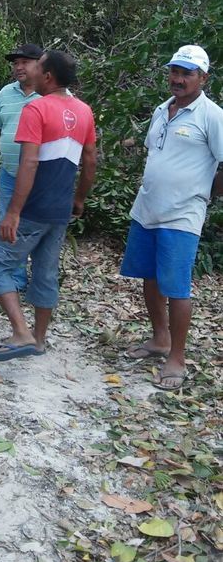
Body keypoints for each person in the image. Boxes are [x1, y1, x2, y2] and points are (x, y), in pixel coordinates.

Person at [0, 51, 97, 361]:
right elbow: (89, 160)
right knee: (45, 273)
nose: (30, 69)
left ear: (47, 77)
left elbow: (29, 161)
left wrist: (14, 212)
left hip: (33, 207)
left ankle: (21, 333)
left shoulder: (37, 108)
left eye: (38, 65)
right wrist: (79, 199)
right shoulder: (84, 111)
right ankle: (40, 339)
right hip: (60, 209)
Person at [120, 45, 223, 389]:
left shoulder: (212, 116)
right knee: (150, 278)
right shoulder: (162, 110)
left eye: (187, 73)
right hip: (148, 208)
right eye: (174, 72)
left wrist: (204, 191)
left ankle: (176, 357)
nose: (178, 79)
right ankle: (159, 339)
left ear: (203, 78)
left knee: (177, 288)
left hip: (182, 215)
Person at [0, 43, 43, 290]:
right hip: (9, 174)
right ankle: (15, 279)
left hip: (40, 178)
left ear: (40, 64)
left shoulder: (50, 96)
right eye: (16, 63)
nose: (18, 67)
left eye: (24, 62)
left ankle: (39, 281)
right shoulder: (6, 93)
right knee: (7, 223)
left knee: (35, 227)